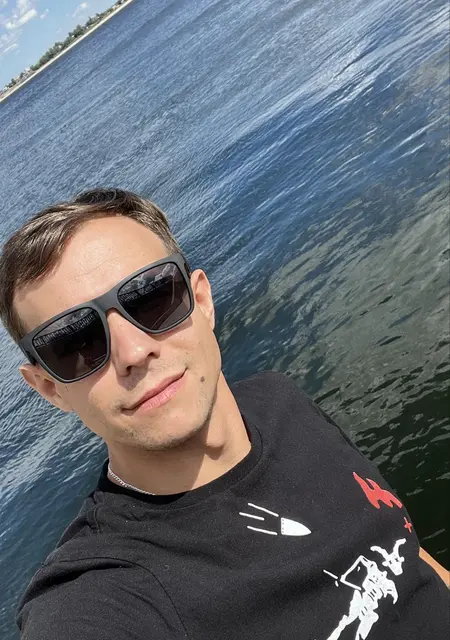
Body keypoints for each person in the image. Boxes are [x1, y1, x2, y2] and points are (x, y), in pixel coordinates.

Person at [0, 188, 448, 640]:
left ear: (202, 300)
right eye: (75, 343)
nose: (133, 351)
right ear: (50, 388)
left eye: (151, 296)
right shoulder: (100, 601)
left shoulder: (279, 400)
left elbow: (404, 553)